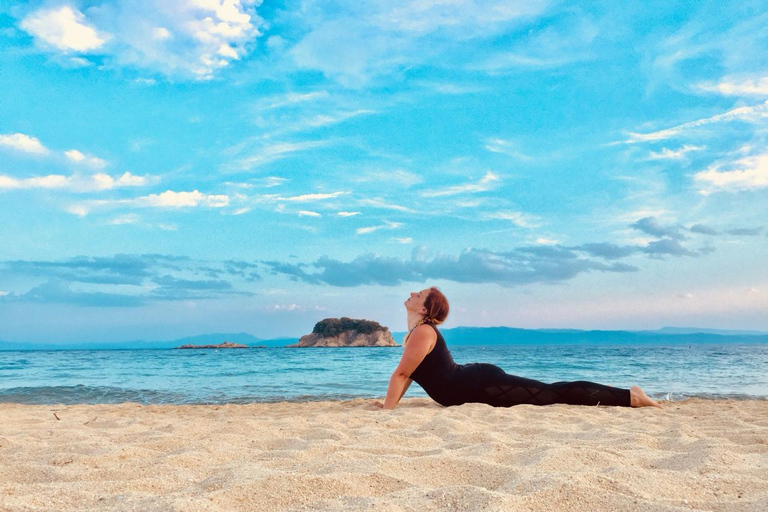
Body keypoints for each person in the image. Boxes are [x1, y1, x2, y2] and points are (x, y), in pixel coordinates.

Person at [373, 287, 661, 410]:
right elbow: (409, 375)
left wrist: (386, 411)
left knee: (551, 394)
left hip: (481, 385)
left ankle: (630, 396)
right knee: (551, 392)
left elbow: (400, 375)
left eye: (418, 293)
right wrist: (390, 405)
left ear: (424, 308)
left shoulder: (423, 332)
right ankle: (605, 390)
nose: (412, 293)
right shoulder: (417, 333)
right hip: (474, 385)